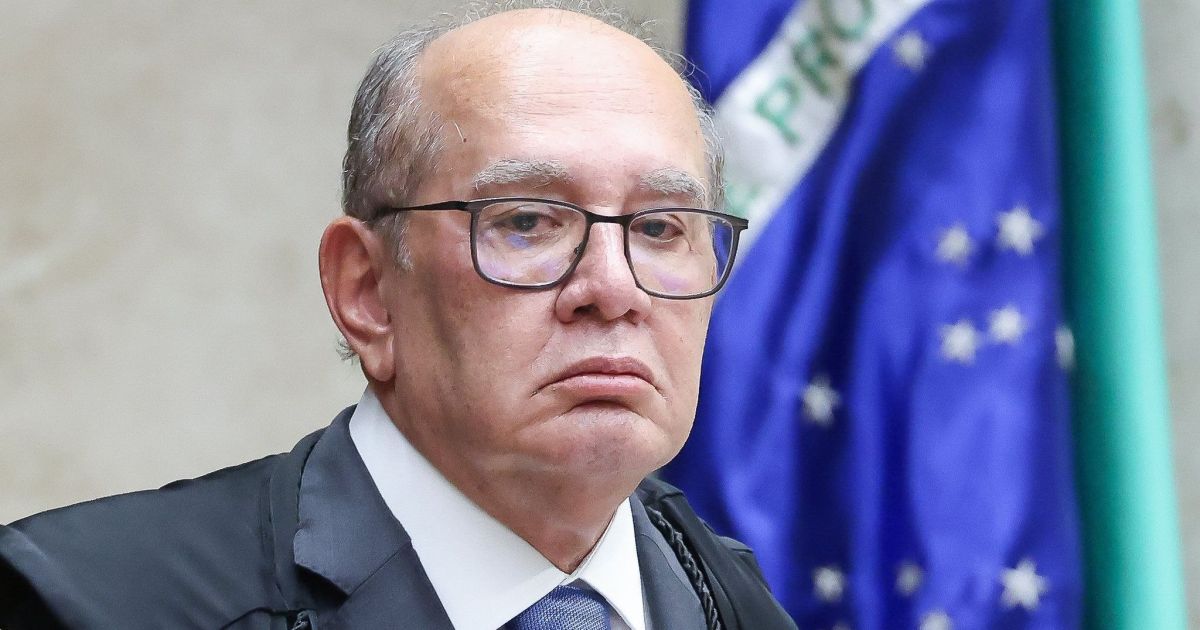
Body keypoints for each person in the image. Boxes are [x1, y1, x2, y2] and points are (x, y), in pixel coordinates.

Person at [0, 3, 795, 629]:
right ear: (367, 292)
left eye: (660, 228)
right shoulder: (88, 602)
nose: (613, 288)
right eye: (526, 221)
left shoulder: (737, 599)